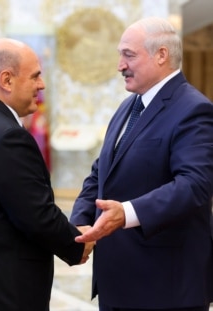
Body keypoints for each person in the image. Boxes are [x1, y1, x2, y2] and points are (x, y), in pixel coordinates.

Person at [70, 16, 213, 311]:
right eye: (120, 55)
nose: (120, 65)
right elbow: (102, 170)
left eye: (128, 55)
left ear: (161, 55)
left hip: (164, 289)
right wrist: (81, 219)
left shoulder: (194, 110)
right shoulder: (129, 106)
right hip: (117, 285)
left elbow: (194, 185)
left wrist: (127, 213)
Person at [0, 38, 94, 311]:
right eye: (35, 76)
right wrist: (77, 243)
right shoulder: (8, 137)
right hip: (5, 289)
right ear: (7, 80)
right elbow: (37, 216)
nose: (42, 85)